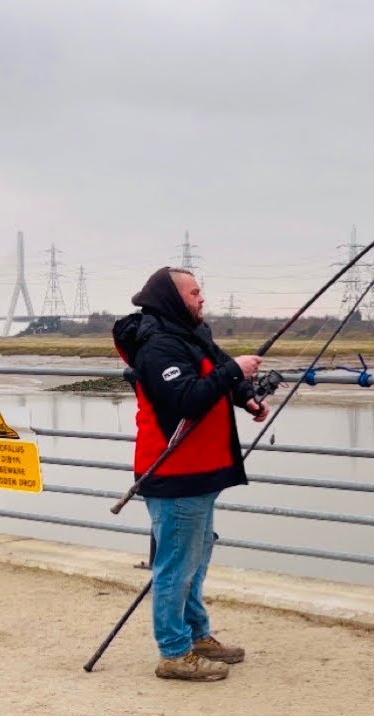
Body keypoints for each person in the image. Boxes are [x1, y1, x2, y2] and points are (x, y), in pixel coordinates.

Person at [112, 266, 270, 682]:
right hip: (175, 472)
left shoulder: (191, 334)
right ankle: (174, 653)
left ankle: (196, 635)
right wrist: (235, 370)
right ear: (172, 298)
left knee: (195, 560)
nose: (202, 299)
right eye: (195, 292)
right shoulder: (159, 344)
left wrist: (246, 397)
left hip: (202, 470)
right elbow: (186, 398)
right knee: (176, 566)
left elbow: (214, 374)